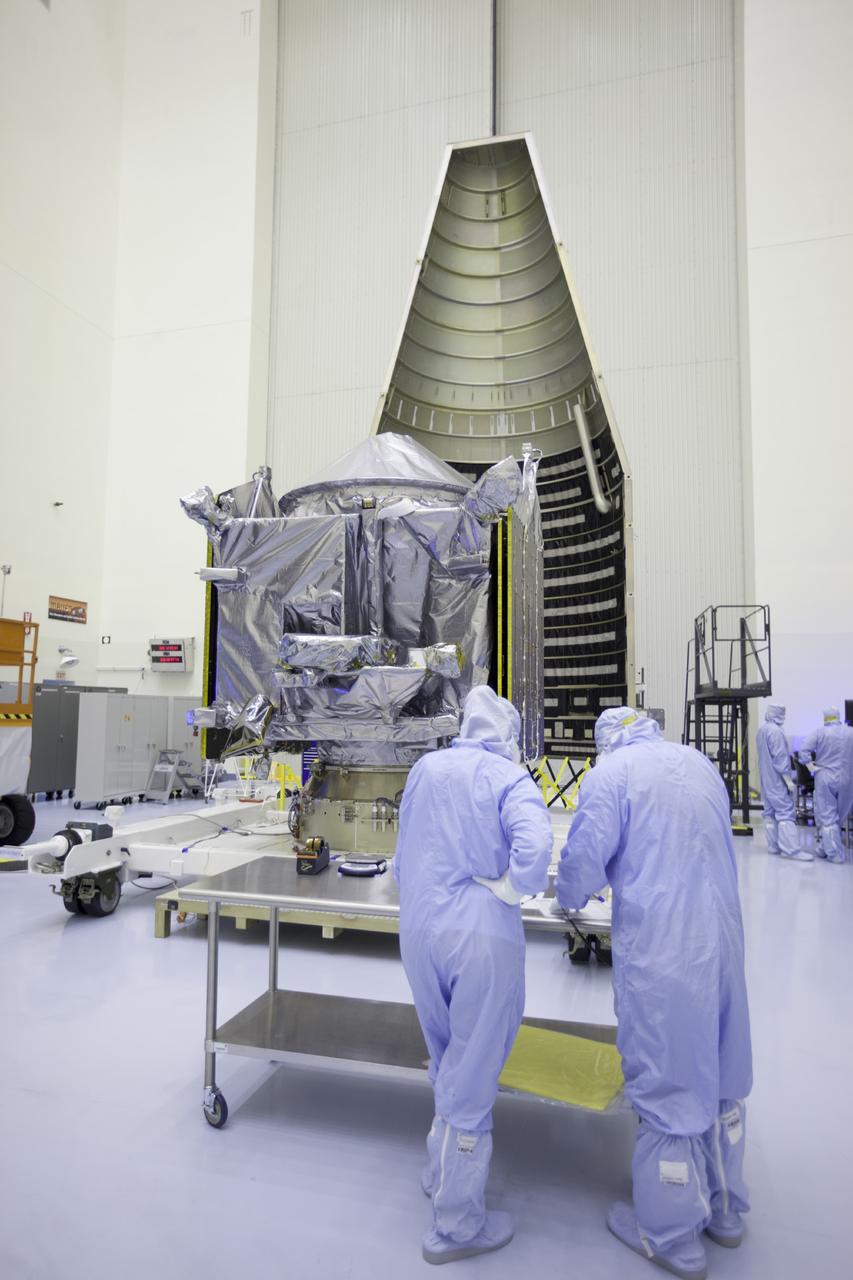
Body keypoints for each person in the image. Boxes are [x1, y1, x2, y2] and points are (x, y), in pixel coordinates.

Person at [555, 708, 752, 1280]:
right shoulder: (698, 762)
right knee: (720, 1072)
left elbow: (581, 868)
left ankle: (671, 1237)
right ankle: (724, 1210)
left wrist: (568, 893)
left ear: (605, 742)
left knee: (668, 1081)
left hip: (667, 951)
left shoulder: (612, 777)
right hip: (721, 944)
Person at [394, 685, 552, 1265]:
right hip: (480, 939)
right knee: (475, 1066)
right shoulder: (509, 780)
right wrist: (510, 888)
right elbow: (535, 850)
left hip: (419, 932)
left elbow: (402, 854)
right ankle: (457, 1226)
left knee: (446, 1056)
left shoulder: (426, 770)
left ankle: (439, 1171)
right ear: (506, 733)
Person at [755, 704, 812, 861]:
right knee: (785, 812)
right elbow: (780, 758)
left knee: (769, 813)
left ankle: (773, 846)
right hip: (776, 779)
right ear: (778, 714)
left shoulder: (762, 730)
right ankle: (791, 850)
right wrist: (787, 779)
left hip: (766, 779)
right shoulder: (776, 732)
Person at [798, 708, 853, 863]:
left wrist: (811, 767)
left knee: (828, 817)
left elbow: (804, 751)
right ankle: (825, 847)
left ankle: (833, 853)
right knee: (839, 817)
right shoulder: (850, 732)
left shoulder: (819, 732)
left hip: (825, 776)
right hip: (847, 778)